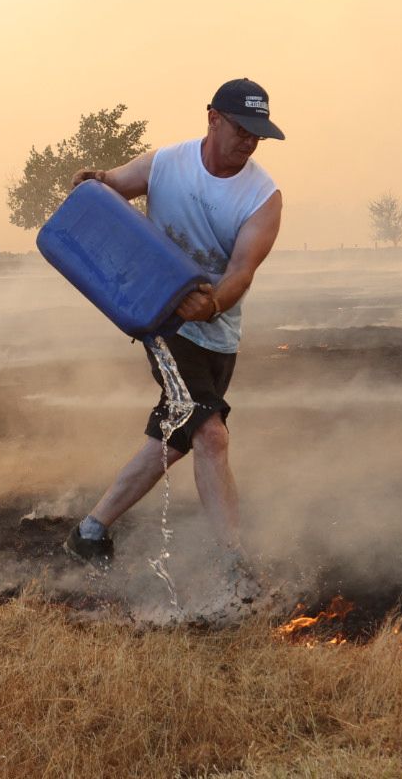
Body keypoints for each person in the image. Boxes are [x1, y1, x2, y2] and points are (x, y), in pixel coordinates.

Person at [62, 77, 285, 596]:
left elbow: (241, 274)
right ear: (212, 118)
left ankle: (90, 531)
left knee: (176, 434)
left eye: (258, 134)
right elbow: (111, 184)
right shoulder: (166, 164)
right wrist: (92, 179)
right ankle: (233, 564)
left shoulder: (263, 197)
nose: (248, 141)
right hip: (164, 323)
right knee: (210, 433)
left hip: (218, 332)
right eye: (241, 128)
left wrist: (211, 304)